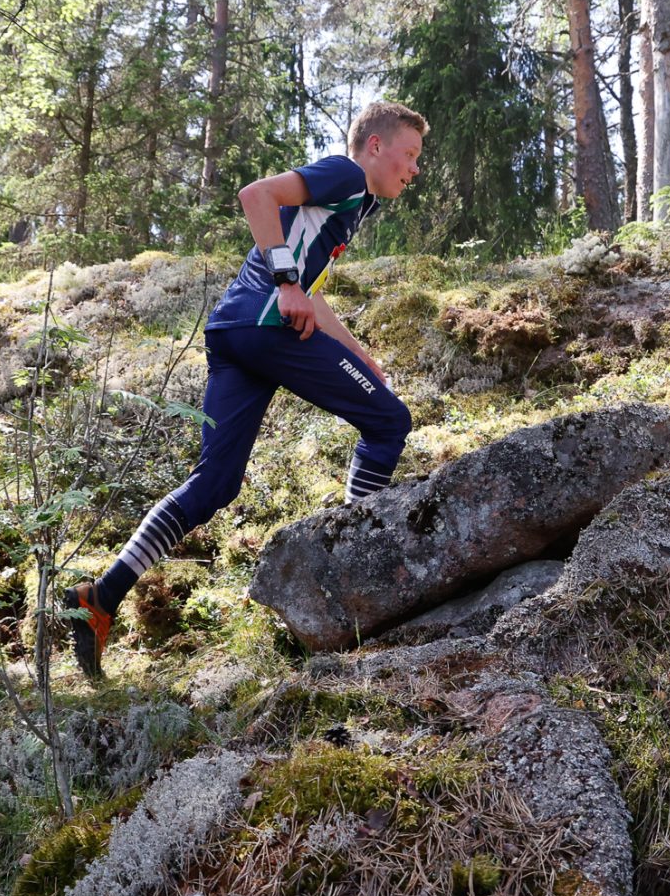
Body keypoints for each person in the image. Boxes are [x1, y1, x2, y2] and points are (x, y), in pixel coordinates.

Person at [63, 101, 427, 677]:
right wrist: (286, 284)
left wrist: (357, 352)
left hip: (235, 331)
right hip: (265, 325)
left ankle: (100, 598)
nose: (414, 169)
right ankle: (355, 573)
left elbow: (309, 292)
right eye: (410, 154)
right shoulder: (347, 175)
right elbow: (257, 195)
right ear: (376, 146)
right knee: (389, 423)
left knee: (215, 483)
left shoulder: (352, 204)